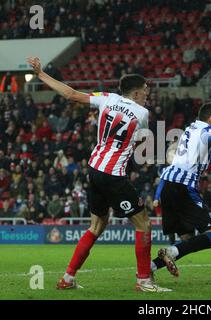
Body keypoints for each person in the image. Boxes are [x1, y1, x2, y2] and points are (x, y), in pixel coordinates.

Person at [27, 56, 170, 293]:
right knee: (143, 224)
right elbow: (140, 140)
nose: (147, 94)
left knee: (97, 225)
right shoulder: (142, 113)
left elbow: (71, 94)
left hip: (94, 170)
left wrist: (41, 74)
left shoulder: (107, 99)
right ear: (135, 94)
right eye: (144, 91)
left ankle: (68, 277)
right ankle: (144, 280)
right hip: (113, 174)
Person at [150, 102, 211, 277]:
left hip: (169, 186)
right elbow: (209, 139)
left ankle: (149, 269)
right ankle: (169, 253)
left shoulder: (191, 129)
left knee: (187, 239)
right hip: (183, 187)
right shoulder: (207, 131)